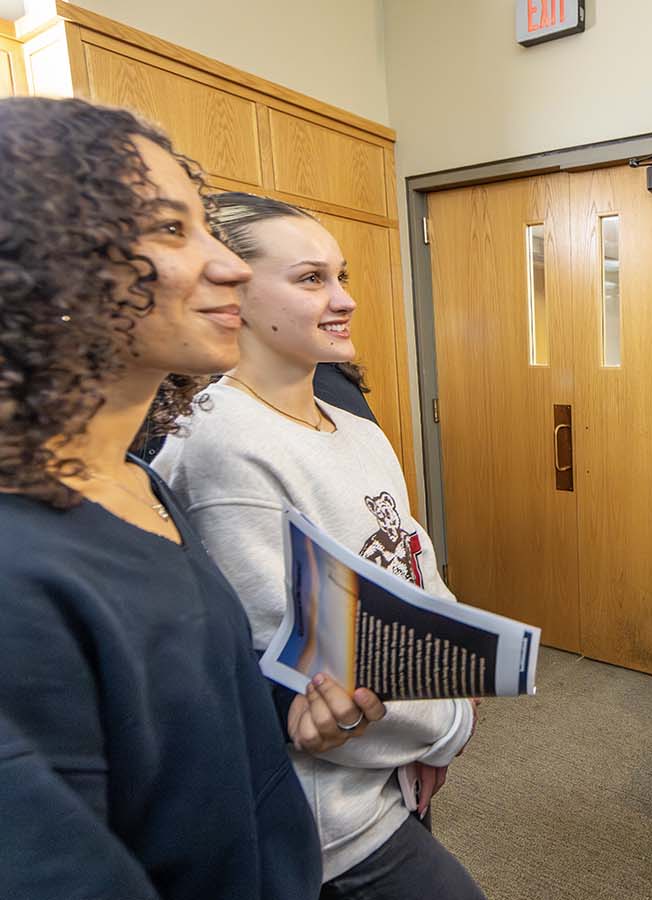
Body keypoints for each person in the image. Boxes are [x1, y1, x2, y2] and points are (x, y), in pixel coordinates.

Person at [0, 97, 385, 900]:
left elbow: (194, 696)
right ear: (45, 259)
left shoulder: (134, 482)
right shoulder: (18, 571)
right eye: (171, 229)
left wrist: (295, 705)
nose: (233, 268)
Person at [152, 192, 485, 899]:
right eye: (310, 280)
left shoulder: (355, 428)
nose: (343, 300)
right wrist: (446, 728)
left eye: (342, 276)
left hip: (394, 770)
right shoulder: (221, 443)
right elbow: (305, 675)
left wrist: (446, 712)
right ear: (232, 291)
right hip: (328, 827)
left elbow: (418, 575)